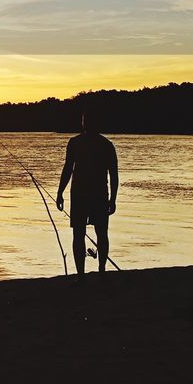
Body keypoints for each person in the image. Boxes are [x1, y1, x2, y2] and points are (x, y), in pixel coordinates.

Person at [56, 111, 118, 275]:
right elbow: (68, 169)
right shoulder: (103, 144)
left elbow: (113, 174)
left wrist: (113, 199)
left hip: (89, 195)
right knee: (89, 234)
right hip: (89, 195)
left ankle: (92, 273)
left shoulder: (102, 145)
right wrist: (60, 192)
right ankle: (94, 273)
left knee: (91, 234)